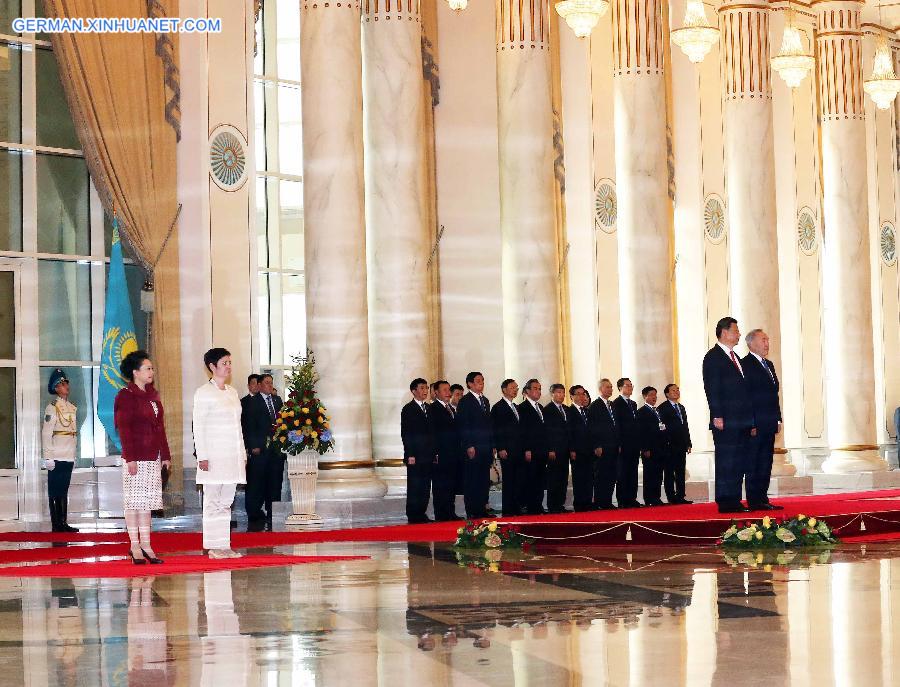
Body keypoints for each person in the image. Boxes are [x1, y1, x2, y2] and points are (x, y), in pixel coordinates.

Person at [114, 350, 172, 565]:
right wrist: (129, 458)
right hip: (135, 457)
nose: (151, 371)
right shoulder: (125, 396)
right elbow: (124, 429)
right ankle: (134, 545)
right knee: (134, 502)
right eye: (147, 368)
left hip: (152, 457)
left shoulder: (152, 395)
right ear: (135, 372)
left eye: (152, 368)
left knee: (147, 503)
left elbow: (160, 428)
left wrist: (165, 454)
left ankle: (147, 545)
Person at [193, 348, 247, 559]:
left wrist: (241, 453)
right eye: (224, 363)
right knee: (213, 501)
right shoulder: (203, 392)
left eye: (229, 362)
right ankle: (213, 546)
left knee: (226, 501)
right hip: (213, 456)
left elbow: (238, 427)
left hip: (232, 456)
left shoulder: (232, 392)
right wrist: (203, 456)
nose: (228, 366)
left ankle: (224, 545)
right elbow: (198, 426)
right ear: (212, 367)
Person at [702, 316, 755, 513]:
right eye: (736, 331)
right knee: (727, 461)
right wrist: (717, 415)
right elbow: (712, 388)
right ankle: (726, 501)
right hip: (725, 420)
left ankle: (734, 499)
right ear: (724, 332)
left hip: (740, 420)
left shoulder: (736, 357)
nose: (739, 334)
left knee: (738, 461)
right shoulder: (713, 357)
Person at [742, 329, 784, 511]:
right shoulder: (745, 365)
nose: (767, 343)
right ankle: (754, 500)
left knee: (766, 461)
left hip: (769, 422)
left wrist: (778, 418)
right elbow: (746, 397)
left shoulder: (769, 364)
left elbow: (773, 395)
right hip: (755, 424)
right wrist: (750, 422)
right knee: (754, 462)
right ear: (751, 343)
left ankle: (762, 498)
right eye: (763, 339)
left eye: (768, 339)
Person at [241, 373, 285, 530]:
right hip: (259, 450)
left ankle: (273, 512)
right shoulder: (251, 402)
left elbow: (282, 422)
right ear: (259, 385)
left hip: (276, 451)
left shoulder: (277, 400)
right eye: (267, 383)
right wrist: (253, 445)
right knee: (256, 482)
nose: (270, 385)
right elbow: (248, 426)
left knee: (275, 482)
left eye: (271, 383)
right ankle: (254, 515)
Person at [41, 369, 79, 532]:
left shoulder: (72, 407)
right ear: (56, 388)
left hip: (68, 455)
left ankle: (63, 522)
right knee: (54, 489)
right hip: (56, 455)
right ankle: (56, 524)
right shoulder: (52, 408)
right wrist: (48, 457)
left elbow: (73, 434)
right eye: (62, 384)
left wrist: (73, 455)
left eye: (66, 383)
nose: (66, 386)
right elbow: (46, 433)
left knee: (63, 489)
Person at [456, 372, 494, 518]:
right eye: (478, 381)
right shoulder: (465, 401)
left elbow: (489, 425)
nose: (481, 383)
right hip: (473, 447)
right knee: (472, 480)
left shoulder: (485, 400)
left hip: (486, 447)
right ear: (470, 384)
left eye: (483, 381)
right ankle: (472, 511)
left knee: (484, 480)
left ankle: (482, 509)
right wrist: (469, 445)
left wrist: (492, 445)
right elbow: (463, 425)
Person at [401, 378, 436, 523]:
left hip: (428, 454)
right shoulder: (408, 409)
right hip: (415, 455)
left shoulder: (429, 408)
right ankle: (413, 514)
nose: (425, 391)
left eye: (426, 388)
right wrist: (410, 454)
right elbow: (407, 433)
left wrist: (434, 452)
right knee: (415, 485)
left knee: (425, 485)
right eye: (422, 388)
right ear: (414, 391)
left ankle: (422, 513)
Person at [430, 380, 463, 521]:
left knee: (451, 484)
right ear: (436, 392)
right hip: (441, 454)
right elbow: (431, 433)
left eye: (449, 390)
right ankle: (441, 514)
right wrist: (434, 452)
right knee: (440, 485)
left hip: (453, 453)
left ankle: (450, 512)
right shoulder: (433, 409)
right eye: (444, 390)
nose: (448, 393)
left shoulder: (452, 408)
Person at [491, 379, 525, 516]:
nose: (515, 390)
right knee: (509, 480)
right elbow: (497, 429)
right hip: (507, 450)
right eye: (512, 387)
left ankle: (516, 507)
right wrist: (501, 448)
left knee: (518, 480)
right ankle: (508, 510)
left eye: (516, 387)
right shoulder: (498, 407)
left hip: (518, 449)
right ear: (504, 390)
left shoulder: (516, 406)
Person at [658, 383, 693, 504]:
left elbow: (685, 426)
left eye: (677, 389)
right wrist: (665, 442)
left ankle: (680, 496)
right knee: (669, 472)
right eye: (673, 390)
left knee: (680, 471)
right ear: (667, 394)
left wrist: (688, 442)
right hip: (670, 445)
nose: (677, 392)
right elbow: (661, 428)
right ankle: (671, 497)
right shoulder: (662, 408)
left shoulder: (681, 407)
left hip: (681, 444)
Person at [587, 378, 620, 509]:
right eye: (607, 387)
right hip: (602, 446)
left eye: (611, 387)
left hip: (613, 445)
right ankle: (600, 501)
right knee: (602, 475)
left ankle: (607, 501)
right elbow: (592, 427)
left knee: (612, 474)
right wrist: (597, 445)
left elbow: (616, 425)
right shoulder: (595, 406)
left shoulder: (612, 405)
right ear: (600, 389)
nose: (610, 389)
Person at [518, 379, 549, 514]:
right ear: (527, 391)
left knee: (540, 479)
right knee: (530, 478)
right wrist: (526, 448)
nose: (538, 391)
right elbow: (523, 431)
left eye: (540, 388)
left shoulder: (541, 408)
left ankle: (538, 505)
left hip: (542, 450)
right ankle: (530, 506)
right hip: (531, 450)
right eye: (535, 388)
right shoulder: (522, 408)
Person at [612, 378, 642, 507]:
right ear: (620, 388)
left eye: (631, 385)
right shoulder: (616, 404)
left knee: (633, 472)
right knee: (623, 473)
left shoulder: (633, 404)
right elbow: (617, 426)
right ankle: (623, 500)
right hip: (623, 444)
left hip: (634, 444)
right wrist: (618, 443)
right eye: (627, 385)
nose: (630, 388)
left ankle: (632, 498)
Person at [637, 386, 668, 506]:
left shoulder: (657, 411)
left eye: (655, 394)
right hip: (649, 449)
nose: (654, 397)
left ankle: (656, 497)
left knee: (658, 474)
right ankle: (649, 498)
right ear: (645, 396)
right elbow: (641, 432)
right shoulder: (642, 412)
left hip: (660, 448)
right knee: (650, 474)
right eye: (651, 394)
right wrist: (645, 448)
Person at [544, 383, 572, 513]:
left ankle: (560, 504)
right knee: (554, 479)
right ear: (552, 394)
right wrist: (550, 449)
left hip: (565, 450)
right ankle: (553, 506)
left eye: (563, 392)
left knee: (563, 478)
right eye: (558, 392)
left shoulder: (566, 409)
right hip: (554, 451)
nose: (561, 395)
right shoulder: (547, 410)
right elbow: (547, 432)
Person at [566, 385, 594, 511]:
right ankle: (580, 504)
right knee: (579, 478)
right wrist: (572, 449)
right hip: (577, 451)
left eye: (583, 394)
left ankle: (588, 502)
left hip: (589, 450)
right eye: (578, 394)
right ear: (572, 396)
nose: (582, 396)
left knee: (589, 477)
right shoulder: (569, 411)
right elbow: (569, 432)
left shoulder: (587, 411)